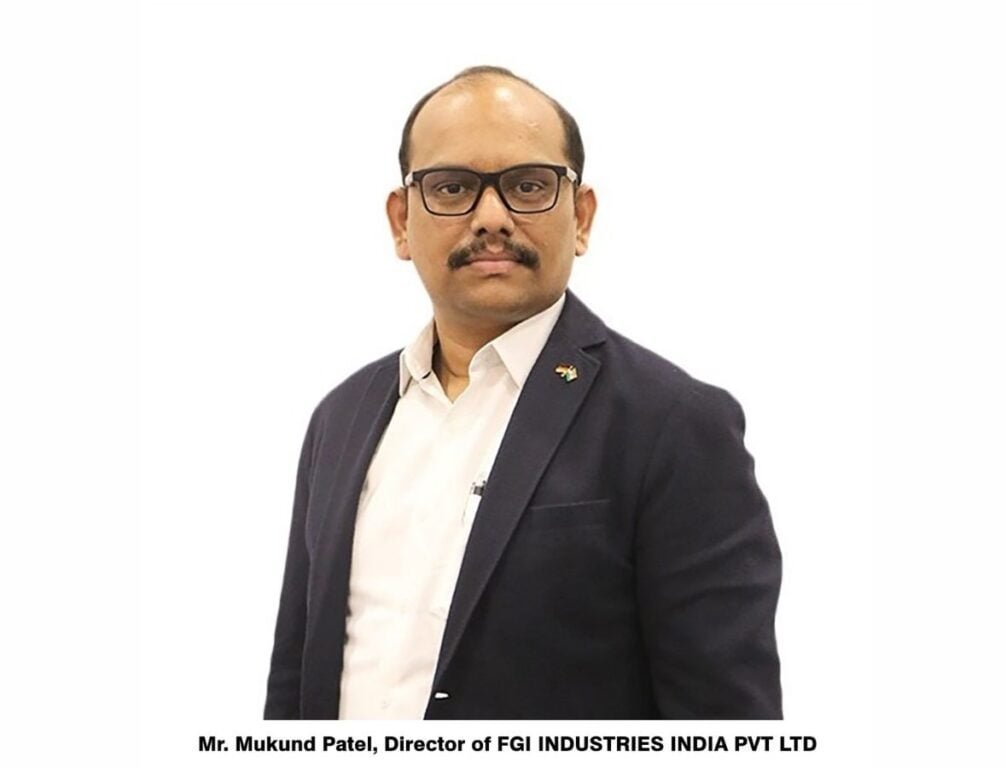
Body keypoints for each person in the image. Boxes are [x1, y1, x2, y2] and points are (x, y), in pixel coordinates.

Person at [263, 66, 782, 720]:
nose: (491, 217)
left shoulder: (672, 425)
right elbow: (295, 680)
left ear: (581, 216)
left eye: (529, 186)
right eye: (452, 187)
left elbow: (726, 726)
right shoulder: (341, 418)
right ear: (401, 221)